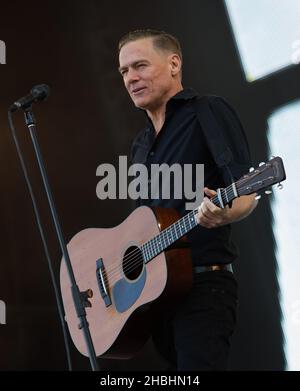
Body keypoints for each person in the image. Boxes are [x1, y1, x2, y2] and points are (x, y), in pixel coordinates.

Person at [117, 29, 257, 371]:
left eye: (140, 66)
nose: (131, 78)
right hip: (159, 297)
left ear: (174, 63)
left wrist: (224, 214)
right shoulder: (140, 144)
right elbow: (141, 226)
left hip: (203, 286)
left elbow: (246, 192)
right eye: (124, 71)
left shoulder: (207, 111)